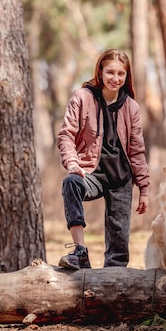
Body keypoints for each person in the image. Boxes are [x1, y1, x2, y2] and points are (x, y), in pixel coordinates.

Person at [56, 49, 150, 270]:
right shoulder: (82, 97)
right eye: (110, 72)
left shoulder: (131, 107)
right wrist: (72, 163)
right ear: (100, 71)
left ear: (127, 76)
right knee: (71, 183)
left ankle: (113, 286)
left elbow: (137, 151)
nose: (115, 79)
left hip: (121, 178)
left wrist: (143, 189)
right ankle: (79, 252)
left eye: (121, 74)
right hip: (90, 172)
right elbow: (66, 135)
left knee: (118, 249)